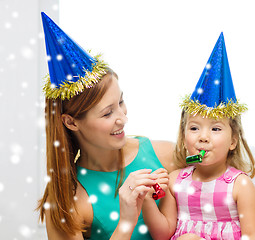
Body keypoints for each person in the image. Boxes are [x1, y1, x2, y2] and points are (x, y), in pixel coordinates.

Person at [37, 12, 175, 239]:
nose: (122, 118)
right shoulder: (68, 200)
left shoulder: (166, 155)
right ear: (71, 122)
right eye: (107, 113)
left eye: (121, 102)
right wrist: (126, 221)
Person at [142, 33, 255, 239]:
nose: (203, 137)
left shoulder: (240, 185)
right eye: (194, 128)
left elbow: (254, 236)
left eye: (215, 129)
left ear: (233, 141)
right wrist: (146, 200)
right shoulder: (175, 181)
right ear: (183, 135)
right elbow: (163, 234)